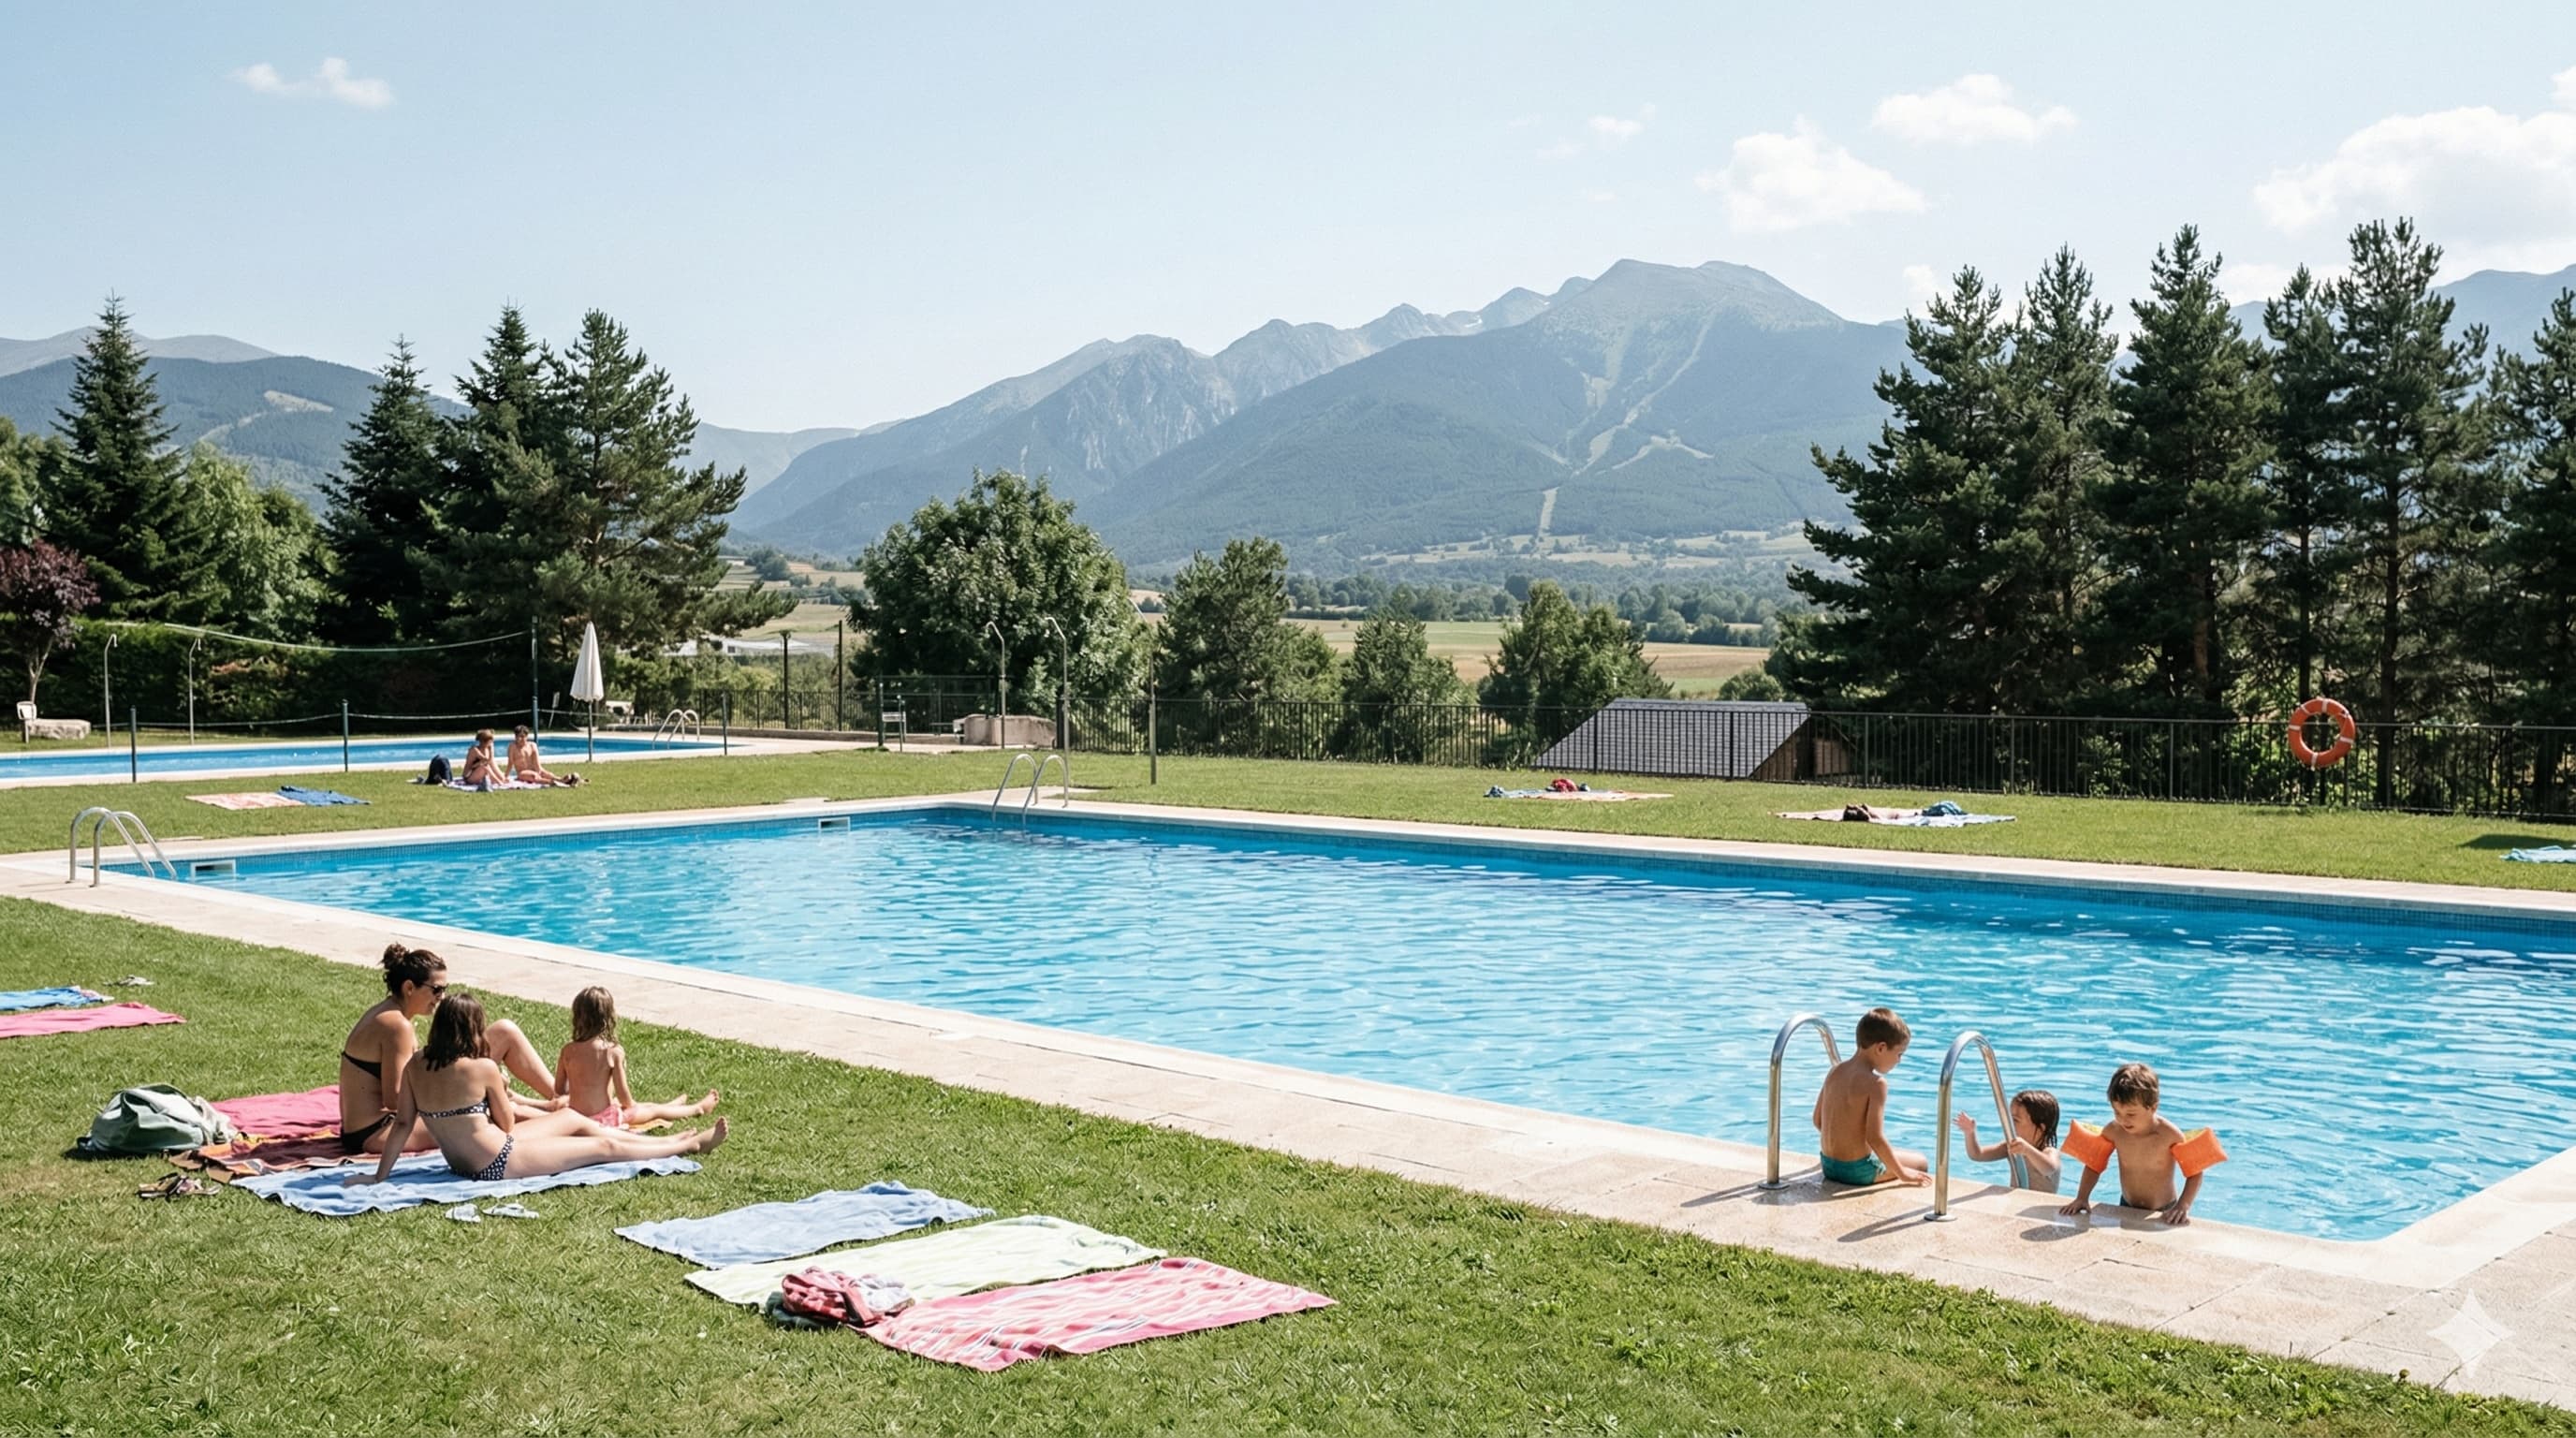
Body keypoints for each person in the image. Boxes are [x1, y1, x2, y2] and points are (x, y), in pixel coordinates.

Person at [348, 992, 724, 1188]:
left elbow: (401, 1125)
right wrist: (503, 1090)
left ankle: (662, 1141)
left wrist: (380, 1176)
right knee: (601, 1147)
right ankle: (685, 1145)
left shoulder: (417, 1064)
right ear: (472, 1028)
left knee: (573, 1118)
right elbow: (507, 1124)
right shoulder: (481, 1068)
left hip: (463, 1160)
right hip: (497, 1162)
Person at [338, 943, 564, 1153]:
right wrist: (457, 1088)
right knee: (488, 1113)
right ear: (409, 987)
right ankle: (566, 1120)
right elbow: (394, 1099)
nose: (442, 998)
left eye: (445, 989)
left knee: (504, 1032)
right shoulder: (397, 1026)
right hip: (375, 1132)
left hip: (383, 1124)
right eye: (436, 990)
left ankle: (557, 1098)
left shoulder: (393, 1015)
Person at [2059, 1063, 2208, 1225]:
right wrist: (2082, 1197)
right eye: (2117, 1112)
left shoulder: (2168, 1134)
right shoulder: (2114, 1131)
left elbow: (2195, 1172)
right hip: (2127, 1204)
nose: (2123, 1119)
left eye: (2131, 1114)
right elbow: (2094, 1165)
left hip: (2164, 1208)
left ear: (2152, 1107)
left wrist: (2183, 1205)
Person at [555, 986, 718, 1128]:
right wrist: (631, 1107)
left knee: (640, 1107)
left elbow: (559, 1090)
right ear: (608, 1018)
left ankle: (671, 1106)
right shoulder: (612, 1052)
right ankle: (698, 1108)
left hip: (575, 1118)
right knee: (650, 1110)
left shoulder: (568, 1051)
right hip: (603, 1121)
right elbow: (625, 1098)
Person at [1811, 1006, 1928, 1188]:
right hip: (1858, 1172)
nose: (1899, 1061)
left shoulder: (1835, 1071)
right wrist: (1903, 1174)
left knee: (1891, 1153)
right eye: (1899, 1054)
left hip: (1828, 1166)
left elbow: (1818, 1120)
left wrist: (1844, 1145)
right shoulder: (1877, 1084)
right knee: (1920, 1163)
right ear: (1881, 1048)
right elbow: (1875, 1137)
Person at [1952, 1088, 2064, 1194]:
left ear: (2041, 1129)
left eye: (2015, 1120)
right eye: (2010, 1119)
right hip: (2016, 1204)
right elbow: (1977, 1155)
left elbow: (2049, 1169)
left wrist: (2027, 1150)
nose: (2010, 1125)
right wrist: (1970, 1133)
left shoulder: (2049, 1152)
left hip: (2038, 1212)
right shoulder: (2010, 1147)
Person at [507, 725, 582, 787]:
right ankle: (553, 782)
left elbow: (537, 764)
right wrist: (505, 776)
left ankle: (562, 780)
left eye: (522, 736)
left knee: (547, 774)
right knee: (533, 776)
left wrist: (539, 772)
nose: (519, 739)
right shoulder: (512, 746)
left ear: (527, 736)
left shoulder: (532, 746)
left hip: (534, 769)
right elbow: (510, 763)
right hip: (522, 772)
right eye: (518, 736)